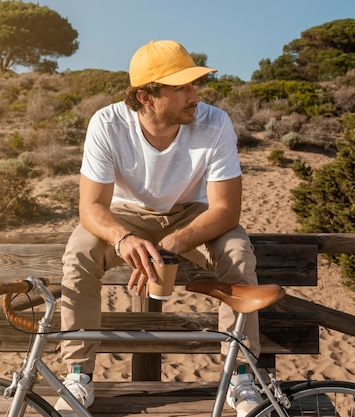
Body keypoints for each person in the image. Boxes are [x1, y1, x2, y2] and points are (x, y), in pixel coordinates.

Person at [57, 40, 263, 416]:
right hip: (126, 215)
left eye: (194, 84)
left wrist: (171, 243)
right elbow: (91, 207)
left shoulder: (215, 122)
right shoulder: (107, 123)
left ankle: (241, 376)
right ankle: (77, 375)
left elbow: (226, 210)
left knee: (237, 254)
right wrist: (123, 238)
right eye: (181, 87)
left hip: (192, 214)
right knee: (80, 254)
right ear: (146, 96)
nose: (194, 95)